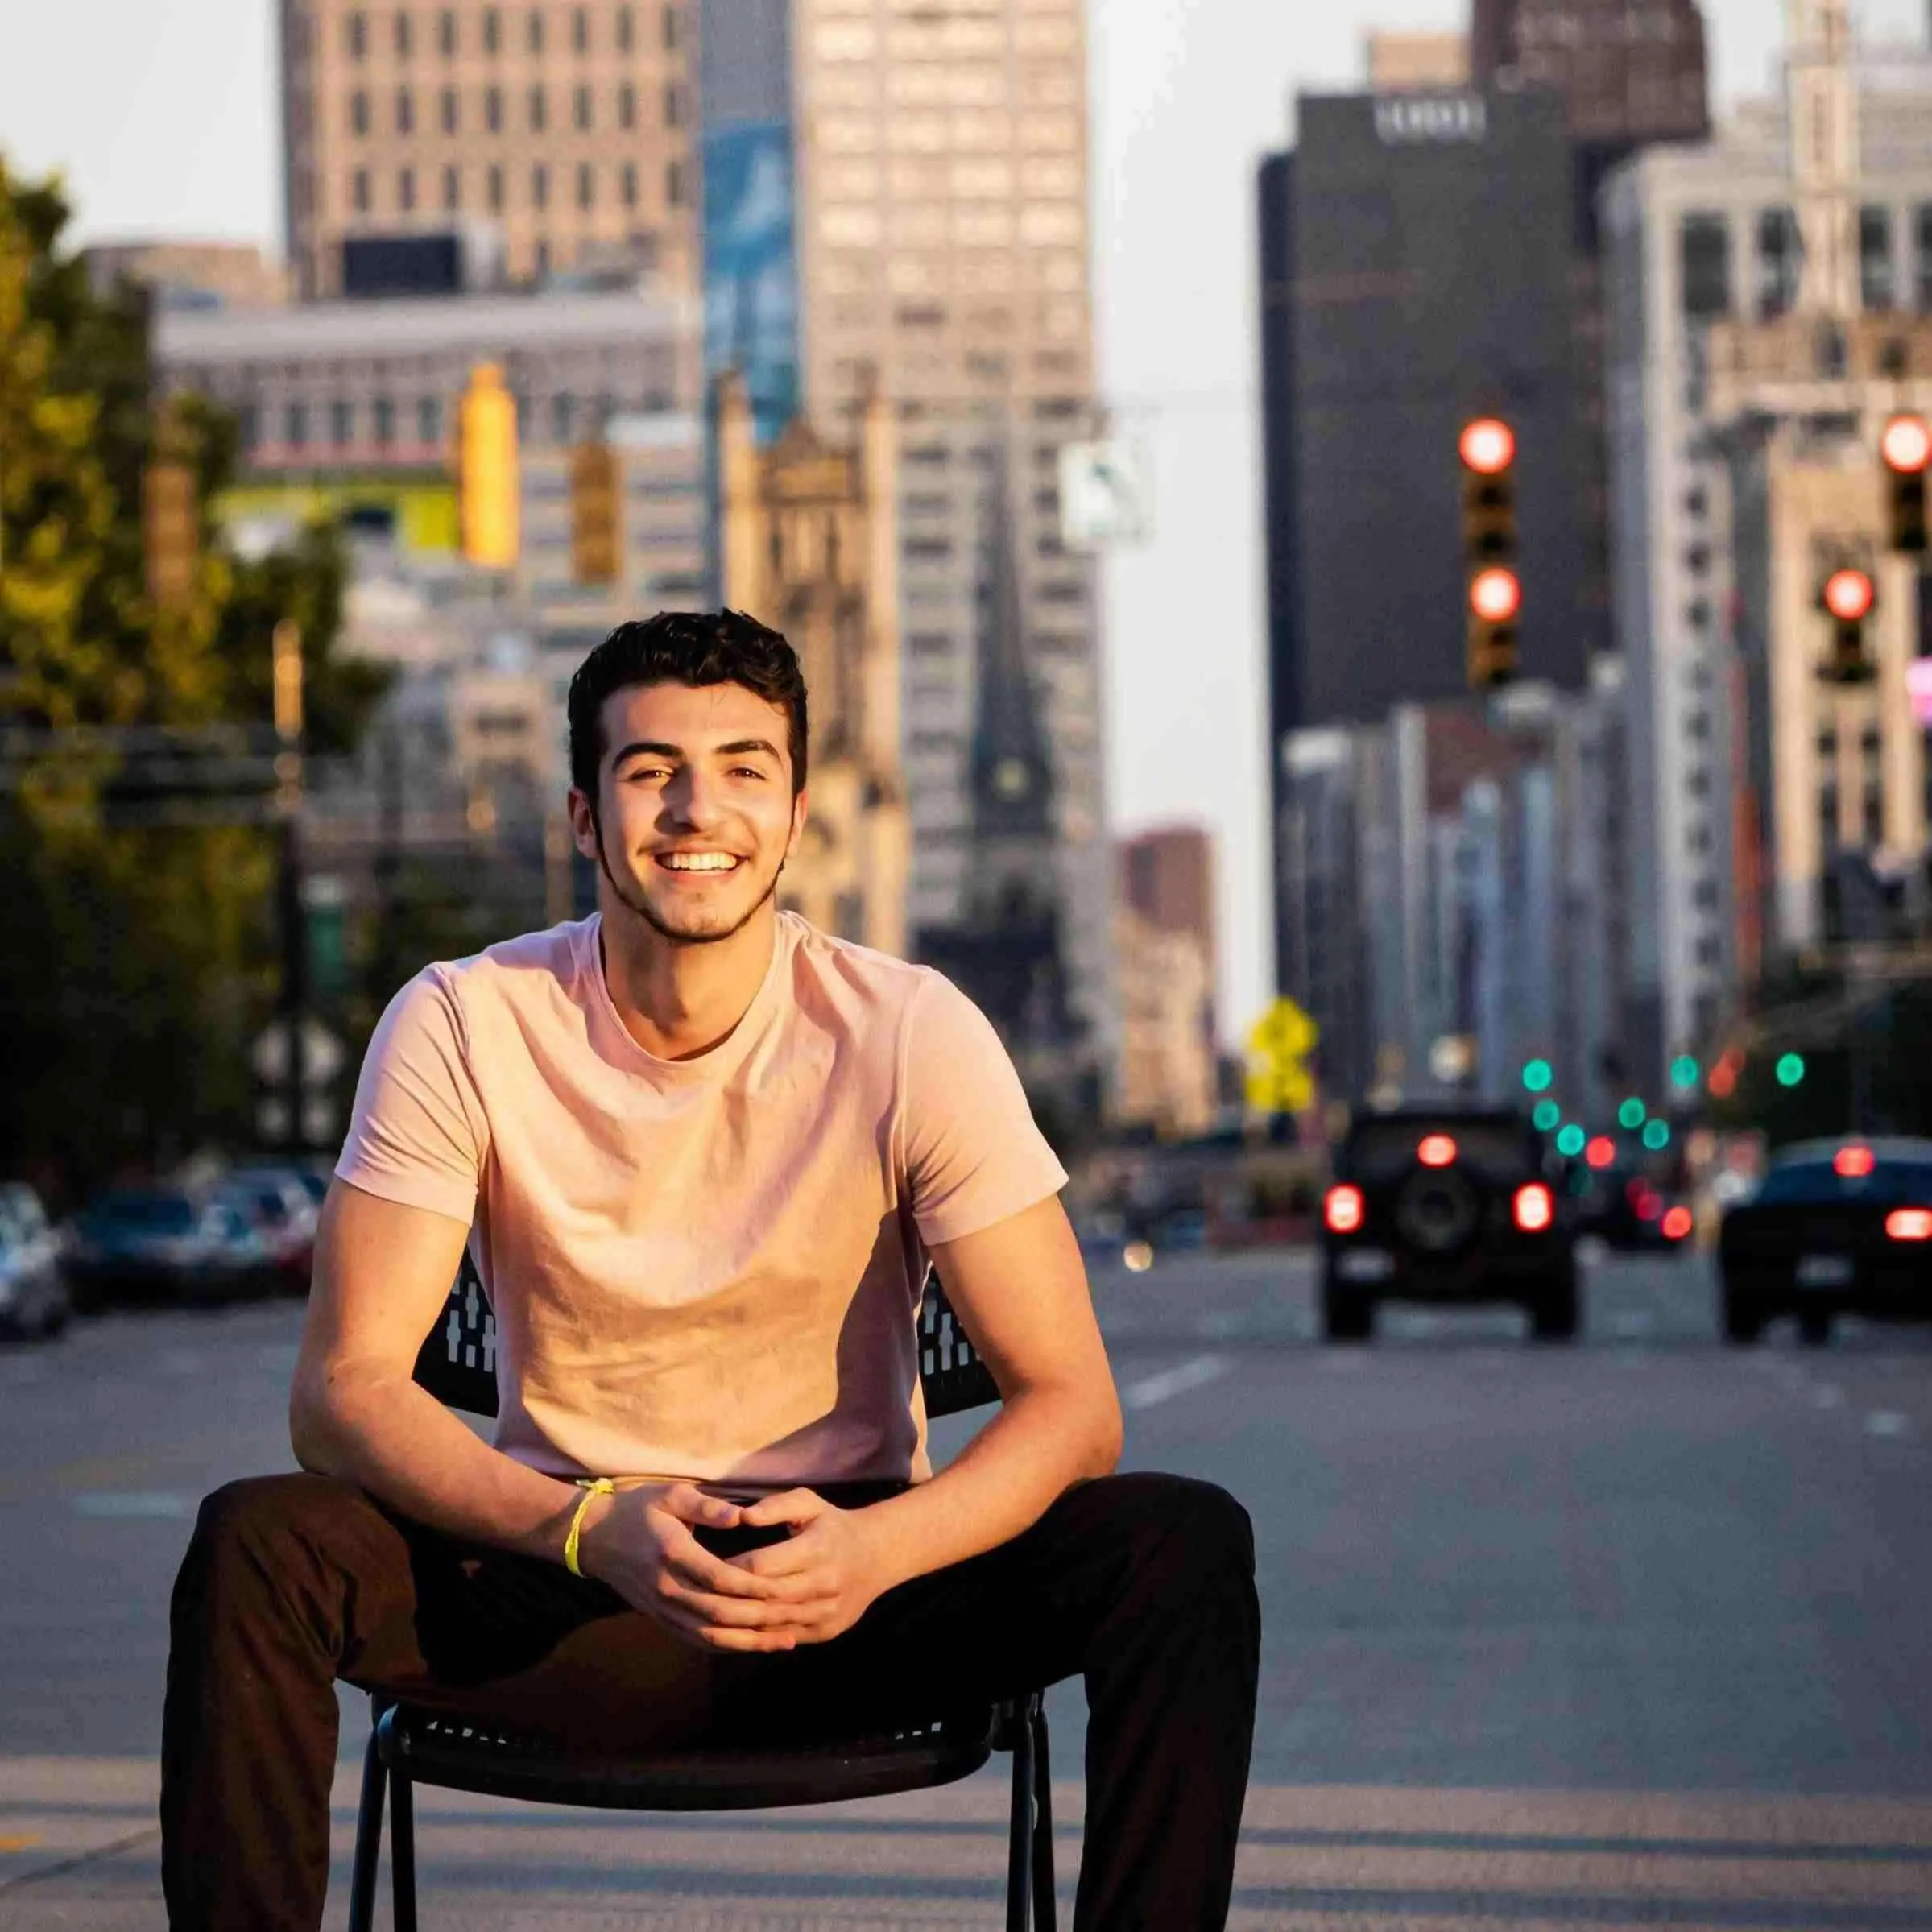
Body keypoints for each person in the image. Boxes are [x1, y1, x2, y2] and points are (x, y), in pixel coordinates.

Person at [160, 610, 1259, 1931]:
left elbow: (1072, 1406)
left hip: (852, 1588)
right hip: (567, 1581)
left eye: (744, 767)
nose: (699, 809)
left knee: (1183, 1541)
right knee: (257, 1545)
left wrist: (873, 1552)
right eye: (649, 769)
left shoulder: (913, 1030)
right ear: (583, 814)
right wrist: (579, 1525)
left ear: (794, 813)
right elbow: (341, 1391)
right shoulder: (461, 1019)